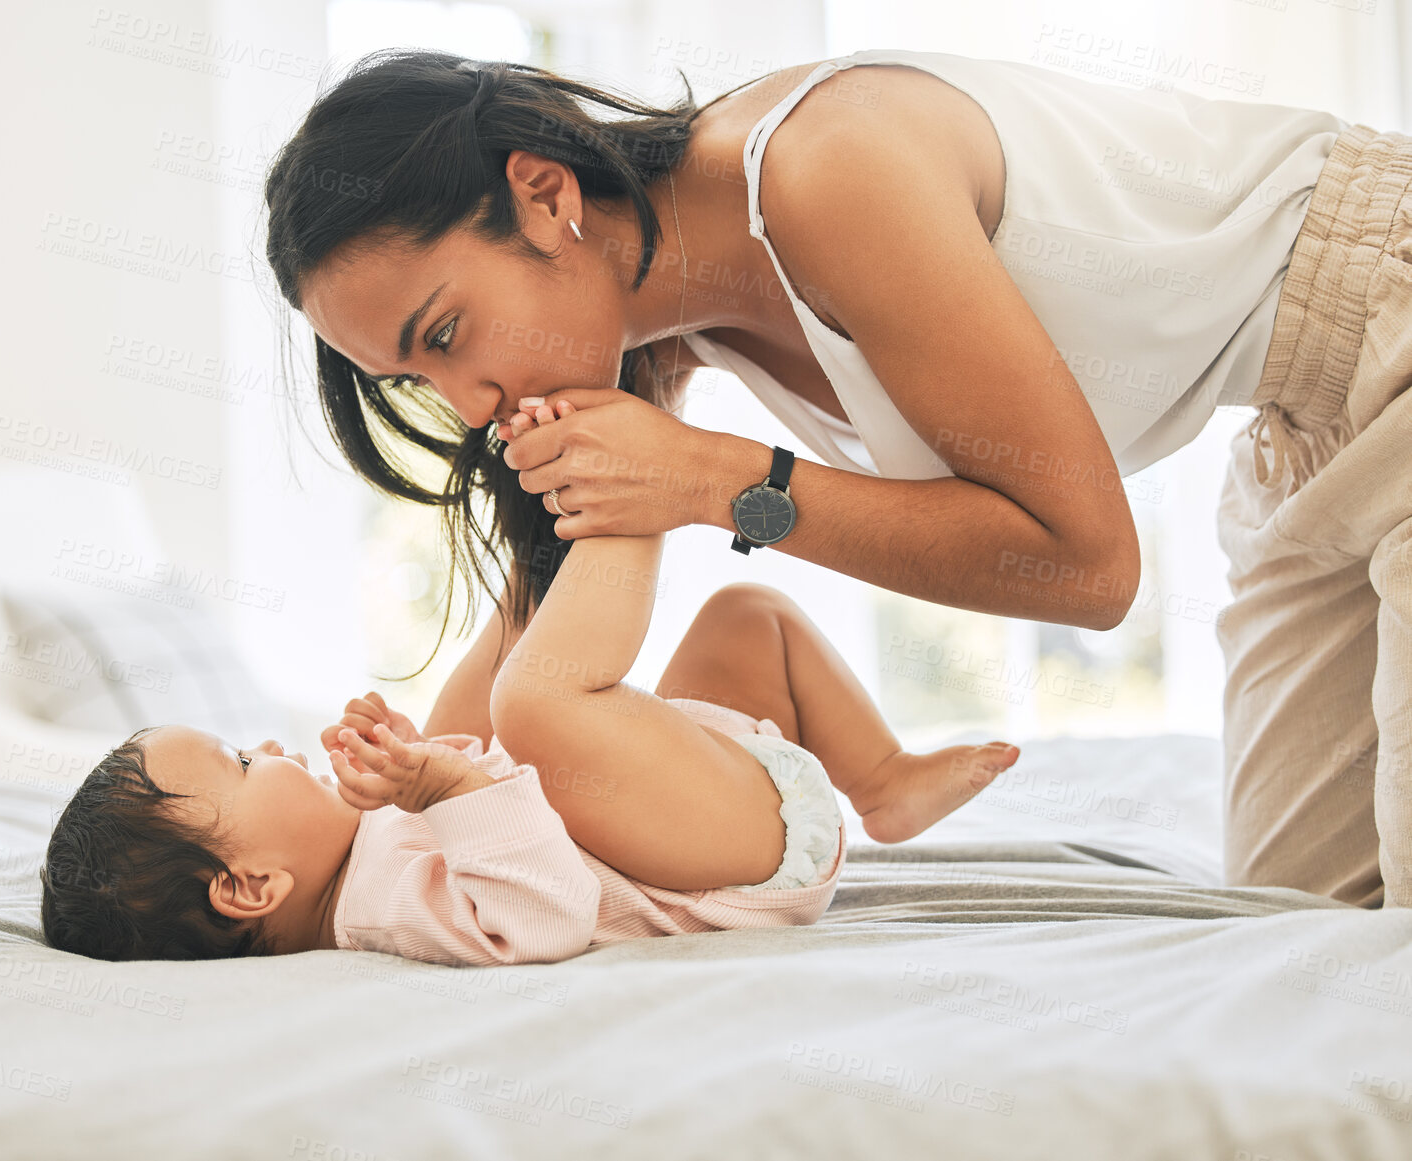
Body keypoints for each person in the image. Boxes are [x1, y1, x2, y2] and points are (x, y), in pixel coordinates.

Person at [261, 46, 1412, 910]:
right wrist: (413, 799)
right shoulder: (648, 330)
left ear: (546, 195)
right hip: (1301, 439)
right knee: (1308, 934)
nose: (465, 406)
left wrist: (718, 480)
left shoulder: (821, 173)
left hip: (1392, 304)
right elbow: (534, 621)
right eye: (415, 379)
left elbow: (1093, 571)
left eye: (448, 332)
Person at [38, 400, 1019, 963]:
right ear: (251, 886)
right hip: (727, 860)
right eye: (246, 764)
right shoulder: (380, 911)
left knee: (740, 620)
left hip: (719, 789)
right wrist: (439, 784)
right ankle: (637, 481)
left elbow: (477, 757)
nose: (275, 747)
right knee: (533, 709)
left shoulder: (364, 853)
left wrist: (422, 757)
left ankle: (881, 779)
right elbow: (541, 910)